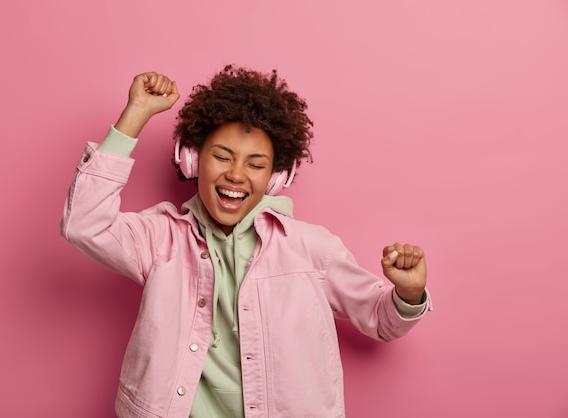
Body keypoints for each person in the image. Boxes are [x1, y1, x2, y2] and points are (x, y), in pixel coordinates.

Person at [60, 65, 432, 418]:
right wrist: (136, 113)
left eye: (255, 164)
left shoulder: (312, 248)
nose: (236, 174)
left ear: (274, 178)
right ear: (191, 160)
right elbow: (84, 223)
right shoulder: (161, 238)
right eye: (222, 157)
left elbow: (384, 321)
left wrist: (408, 295)